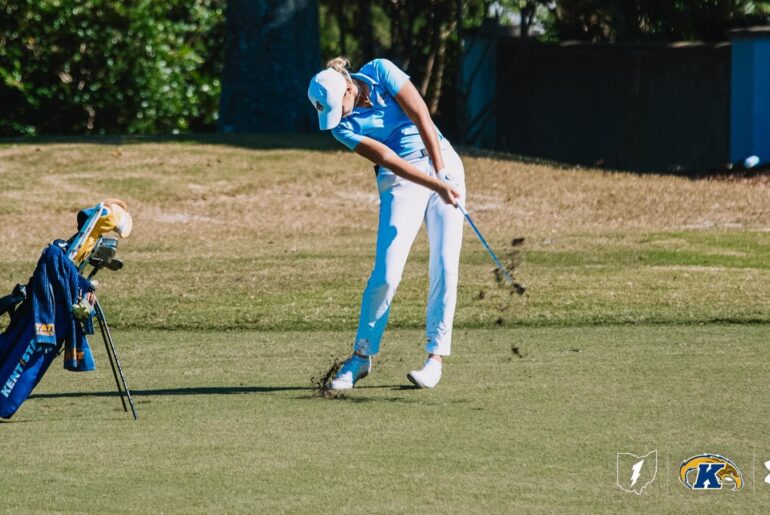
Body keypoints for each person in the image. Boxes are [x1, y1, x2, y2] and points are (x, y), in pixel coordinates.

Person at [307, 57, 466, 390]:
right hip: (399, 178)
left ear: (349, 87)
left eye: (341, 106)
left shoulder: (380, 70)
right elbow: (388, 159)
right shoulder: (341, 127)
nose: (341, 116)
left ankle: (435, 358)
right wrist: (435, 184)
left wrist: (440, 172)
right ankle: (361, 357)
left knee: (445, 264)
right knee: (387, 272)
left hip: (441, 158)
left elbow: (421, 115)